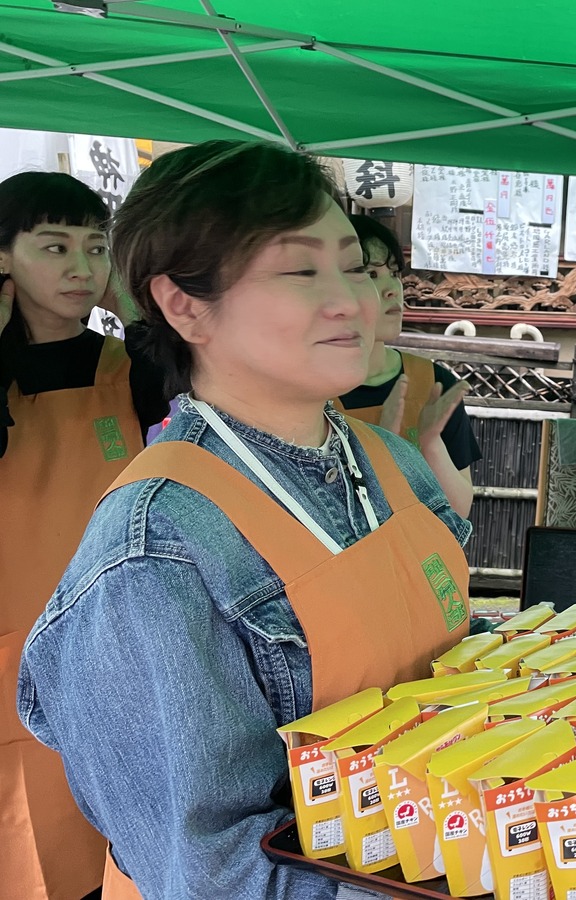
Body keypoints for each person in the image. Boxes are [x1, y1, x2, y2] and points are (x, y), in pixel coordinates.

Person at [18, 141, 473, 900]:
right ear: (184, 306)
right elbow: (212, 874)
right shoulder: (157, 550)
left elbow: (450, 665)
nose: (350, 300)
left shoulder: (392, 460)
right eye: (300, 271)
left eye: (354, 268)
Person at [0, 171, 169, 900]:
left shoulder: (126, 368)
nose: (81, 267)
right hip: (10, 642)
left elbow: (188, 398)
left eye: (96, 248)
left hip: (110, 637)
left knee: (115, 834)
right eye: (54, 246)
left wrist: (132, 309)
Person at [336, 214, 480, 517]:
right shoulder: (310, 393)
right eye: (371, 274)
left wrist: (430, 443)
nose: (392, 288)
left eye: (393, 273)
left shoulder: (434, 384)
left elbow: (459, 511)